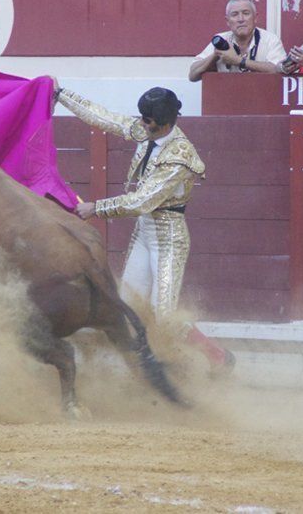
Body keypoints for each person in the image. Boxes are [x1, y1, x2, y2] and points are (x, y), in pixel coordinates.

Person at [53, 81, 235, 375]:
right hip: (144, 232)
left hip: (169, 236)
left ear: (162, 125)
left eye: (146, 120)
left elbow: (143, 201)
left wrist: (96, 208)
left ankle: (218, 358)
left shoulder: (180, 158)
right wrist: (61, 95)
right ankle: (158, 368)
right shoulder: (150, 131)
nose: (140, 124)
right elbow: (108, 119)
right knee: (129, 307)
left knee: (164, 317)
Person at [188, 0, 286, 81]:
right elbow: (192, 76)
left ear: (255, 18)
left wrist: (238, 61)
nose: (241, 19)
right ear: (227, 21)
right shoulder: (221, 39)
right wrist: (216, 55)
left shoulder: (270, 40)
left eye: (246, 13)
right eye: (235, 14)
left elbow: (278, 69)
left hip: (262, 96)